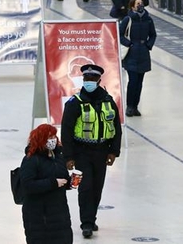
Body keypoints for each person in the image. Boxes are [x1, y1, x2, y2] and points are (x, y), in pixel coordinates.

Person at [61, 64, 122, 238]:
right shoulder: (75, 103)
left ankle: (91, 217)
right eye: (87, 79)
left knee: (97, 187)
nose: (89, 82)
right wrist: (69, 156)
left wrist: (113, 151)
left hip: (102, 151)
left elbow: (116, 127)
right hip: (81, 151)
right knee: (85, 188)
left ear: (99, 80)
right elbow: (66, 131)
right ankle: (86, 223)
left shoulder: (108, 101)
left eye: (93, 79)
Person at [19, 124, 74, 244]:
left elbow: (62, 178)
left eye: (54, 136)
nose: (53, 140)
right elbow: (27, 185)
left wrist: (70, 182)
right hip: (39, 217)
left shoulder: (58, 157)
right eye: (49, 137)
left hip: (60, 214)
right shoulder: (31, 160)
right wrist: (53, 183)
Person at [119, 0, 156, 117]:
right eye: (137, 3)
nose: (140, 5)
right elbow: (119, 34)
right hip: (132, 53)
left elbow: (153, 34)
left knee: (140, 82)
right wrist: (129, 44)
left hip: (144, 53)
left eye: (141, 3)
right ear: (132, 6)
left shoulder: (148, 19)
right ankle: (130, 106)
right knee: (133, 81)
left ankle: (135, 106)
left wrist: (148, 45)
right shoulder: (128, 19)